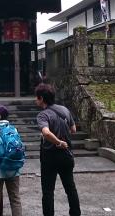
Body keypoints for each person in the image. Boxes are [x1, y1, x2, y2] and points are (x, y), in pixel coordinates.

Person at [34, 83, 80, 216]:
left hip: (50, 157)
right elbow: (73, 129)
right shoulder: (64, 110)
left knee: (48, 191)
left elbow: (47, 133)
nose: (35, 100)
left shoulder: (43, 115)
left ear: (41, 98)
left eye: (36, 98)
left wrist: (58, 141)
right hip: (66, 155)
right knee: (70, 188)